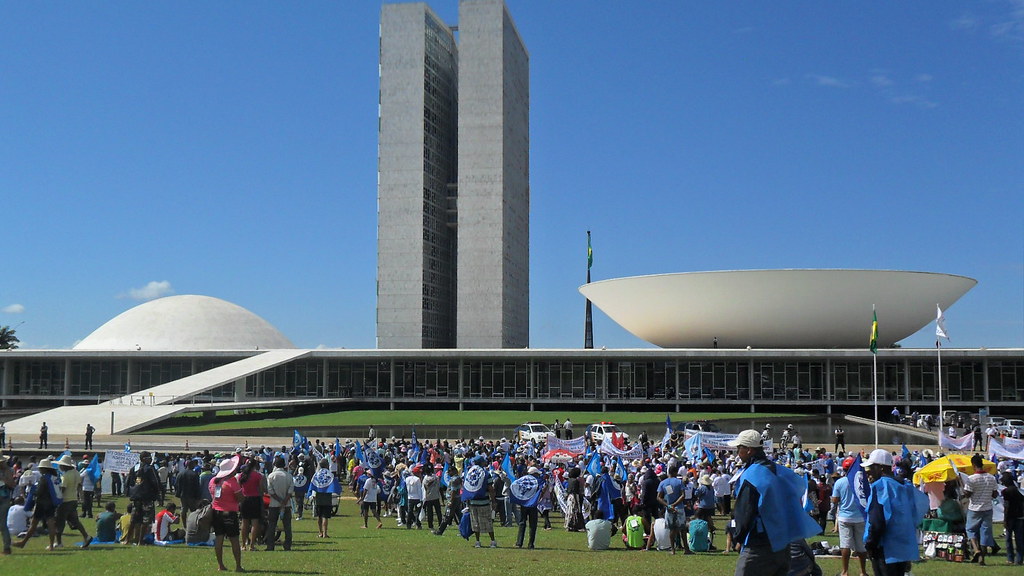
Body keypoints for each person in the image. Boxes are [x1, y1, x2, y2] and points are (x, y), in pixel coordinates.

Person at [729, 429, 822, 576]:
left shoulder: (752, 474)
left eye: (738, 448)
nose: (737, 452)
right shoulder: (780, 471)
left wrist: (738, 538)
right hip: (783, 544)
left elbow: (745, 510)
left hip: (759, 544)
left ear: (748, 450)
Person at [863, 448, 929, 576]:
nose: (868, 471)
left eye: (871, 467)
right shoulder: (904, 485)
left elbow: (877, 521)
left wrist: (870, 544)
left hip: (885, 549)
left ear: (881, 468)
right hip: (903, 546)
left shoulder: (880, 486)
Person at [13, 457, 61, 551]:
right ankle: (51, 545)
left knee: (33, 524)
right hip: (51, 503)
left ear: (44, 468)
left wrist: (32, 493)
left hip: (42, 503)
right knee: (51, 524)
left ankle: (23, 542)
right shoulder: (54, 477)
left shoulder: (44, 478)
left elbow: (39, 491)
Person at [830, 458, 867, 576]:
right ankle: (863, 571)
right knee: (861, 546)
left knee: (845, 545)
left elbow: (835, 500)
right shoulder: (861, 482)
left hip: (845, 517)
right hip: (860, 516)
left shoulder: (840, 482)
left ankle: (845, 571)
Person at [209, 455, 244, 572]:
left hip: (216, 511)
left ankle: (220, 565)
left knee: (219, 538)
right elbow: (240, 498)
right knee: (234, 539)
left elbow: (212, 495)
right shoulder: (232, 482)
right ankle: (238, 566)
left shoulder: (213, 481)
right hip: (229, 512)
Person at [963, 453, 999, 565]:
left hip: (974, 508)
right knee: (985, 533)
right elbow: (995, 494)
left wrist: (964, 492)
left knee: (970, 530)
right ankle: (981, 559)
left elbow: (968, 495)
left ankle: (976, 549)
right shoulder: (991, 478)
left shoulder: (971, 479)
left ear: (973, 465)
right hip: (987, 508)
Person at [54, 453, 92, 549]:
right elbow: (79, 485)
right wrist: (81, 498)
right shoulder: (76, 473)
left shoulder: (66, 476)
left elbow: (62, 490)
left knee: (59, 522)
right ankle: (86, 536)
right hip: (73, 499)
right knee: (75, 521)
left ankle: (58, 542)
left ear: (64, 466)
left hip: (65, 501)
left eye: (60, 465)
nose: (59, 467)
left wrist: (56, 498)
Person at [125, 451, 161, 546]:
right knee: (145, 520)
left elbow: (127, 482)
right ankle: (140, 541)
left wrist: (130, 493)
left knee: (134, 519)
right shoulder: (149, 469)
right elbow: (156, 482)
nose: (151, 459)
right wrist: (158, 494)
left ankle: (127, 540)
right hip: (147, 497)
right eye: (149, 458)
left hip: (136, 498)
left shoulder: (134, 468)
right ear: (144, 459)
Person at [656, 465, 691, 555]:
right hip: (679, 507)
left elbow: (659, 497)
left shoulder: (663, 483)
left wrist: (668, 505)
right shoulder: (679, 482)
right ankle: (686, 549)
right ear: (675, 472)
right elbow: (683, 495)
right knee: (682, 529)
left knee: (672, 530)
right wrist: (675, 504)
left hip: (669, 509)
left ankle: (673, 550)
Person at [463, 457, 497, 548]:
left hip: (473, 502)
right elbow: (491, 489)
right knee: (487, 522)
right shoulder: (486, 474)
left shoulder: (470, 473)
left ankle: (478, 541)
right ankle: (492, 541)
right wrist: (493, 501)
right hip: (484, 502)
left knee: (475, 523)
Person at [236, 457, 264, 551]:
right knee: (255, 523)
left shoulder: (241, 476)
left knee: (244, 522)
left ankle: (243, 544)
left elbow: (239, 488)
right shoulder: (258, 476)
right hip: (254, 499)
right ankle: (251, 545)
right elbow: (260, 489)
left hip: (244, 499)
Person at [265, 455, 293, 550]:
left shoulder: (271, 476)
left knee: (272, 525)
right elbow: (290, 490)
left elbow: (270, 491)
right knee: (287, 526)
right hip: (287, 504)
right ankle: (287, 545)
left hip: (274, 504)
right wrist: (284, 501)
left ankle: (270, 545)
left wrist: (279, 500)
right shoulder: (288, 476)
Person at [1001, 472, 1023, 565]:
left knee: (1008, 539)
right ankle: (1019, 559)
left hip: (1010, 517)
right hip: (1020, 517)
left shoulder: (1006, 492)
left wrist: (1005, 519)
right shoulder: (1017, 490)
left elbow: (1007, 506)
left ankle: (1010, 558)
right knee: (1019, 539)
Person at [175, 460, 202, 525]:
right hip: (192, 496)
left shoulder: (180, 473)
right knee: (193, 511)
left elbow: (176, 484)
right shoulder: (194, 474)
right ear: (190, 465)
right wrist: (198, 496)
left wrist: (178, 493)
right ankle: (193, 524)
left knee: (183, 510)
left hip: (183, 495)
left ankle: (185, 524)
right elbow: (197, 486)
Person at [0, 456, 14, 555]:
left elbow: (12, 484)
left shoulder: (7, 471)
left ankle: (6, 547)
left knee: (3, 524)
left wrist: (3, 478)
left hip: (4, 498)